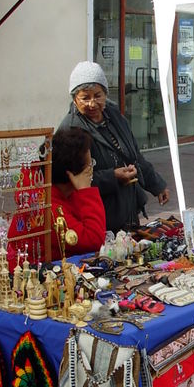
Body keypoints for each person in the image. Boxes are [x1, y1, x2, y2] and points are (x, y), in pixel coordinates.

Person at [58, 61, 169, 233]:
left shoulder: (115, 116)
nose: (92, 103)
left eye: (98, 95)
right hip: (99, 218)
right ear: (74, 99)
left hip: (128, 210)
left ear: (105, 93)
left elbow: (135, 156)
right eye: (85, 98)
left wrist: (157, 185)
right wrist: (113, 176)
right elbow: (71, 180)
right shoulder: (71, 130)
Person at [49, 128, 106, 261]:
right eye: (89, 164)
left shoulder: (67, 193)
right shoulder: (49, 206)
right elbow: (94, 239)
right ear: (74, 173)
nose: (91, 169)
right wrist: (86, 191)